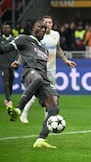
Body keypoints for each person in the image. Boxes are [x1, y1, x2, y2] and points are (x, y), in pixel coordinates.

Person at [0, 18, 62, 148]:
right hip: (30, 74)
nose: (43, 29)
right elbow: (4, 49)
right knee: (37, 78)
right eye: (40, 26)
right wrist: (18, 62)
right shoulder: (23, 38)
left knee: (54, 107)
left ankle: (40, 140)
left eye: (45, 28)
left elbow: (33, 58)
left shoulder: (44, 50)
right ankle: (18, 109)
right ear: (32, 27)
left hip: (43, 79)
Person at [19, 15, 76, 123]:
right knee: (34, 94)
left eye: (50, 22)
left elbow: (58, 49)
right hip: (38, 69)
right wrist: (18, 61)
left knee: (50, 94)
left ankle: (47, 119)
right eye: (46, 22)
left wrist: (66, 60)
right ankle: (24, 113)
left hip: (51, 70)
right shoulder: (38, 36)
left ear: (52, 24)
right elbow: (27, 49)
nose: (48, 24)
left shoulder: (56, 35)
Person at [0, 23, 18, 106]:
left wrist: (17, 61)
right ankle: (8, 99)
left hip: (11, 64)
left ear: (10, 29)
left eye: (7, 28)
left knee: (11, 81)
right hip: (3, 64)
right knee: (6, 81)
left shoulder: (14, 39)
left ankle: (8, 97)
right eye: (4, 28)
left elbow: (18, 51)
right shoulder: (0, 39)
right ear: (2, 30)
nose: (6, 30)